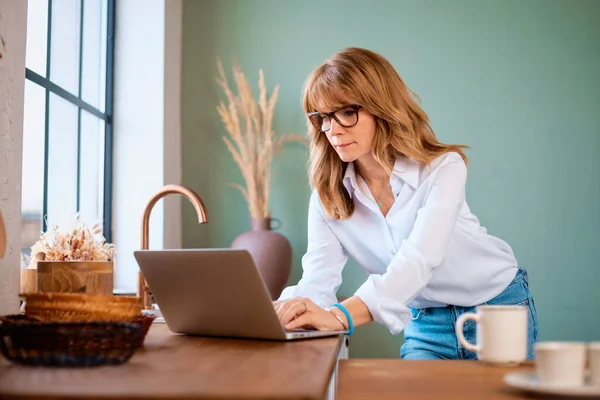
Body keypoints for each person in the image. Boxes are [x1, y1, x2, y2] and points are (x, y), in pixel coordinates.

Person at [274, 47, 539, 360]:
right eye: (323, 118)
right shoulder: (327, 195)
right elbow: (318, 279)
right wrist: (288, 312)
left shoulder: (443, 168)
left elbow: (419, 260)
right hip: (425, 325)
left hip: (497, 308)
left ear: (381, 108)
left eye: (347, 112)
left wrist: (339, 317)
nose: (333, 130)